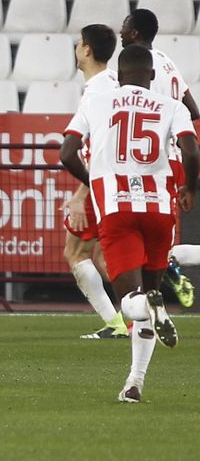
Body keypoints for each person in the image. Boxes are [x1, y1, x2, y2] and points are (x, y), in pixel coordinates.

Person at [60, 45, 198, 403]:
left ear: (117, 76)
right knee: (149, 292)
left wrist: (92, 182)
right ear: (152, 77)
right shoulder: (173, 106)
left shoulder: (97, 101)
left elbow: (66, 152)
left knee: (132, 303)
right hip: (158, 209)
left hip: (117, 209)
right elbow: (191, 150)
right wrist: (190, 189)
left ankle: (151, 306)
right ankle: (134, 383)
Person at [118, 9, 200, 308]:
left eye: (125, 27)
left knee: (149, 236)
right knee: (155, 231)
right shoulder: (165, 60)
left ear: (136, 33)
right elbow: (194, 109)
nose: (121, 31)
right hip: (170, 156)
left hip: (154, 161)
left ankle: (166, 279)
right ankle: (153, 297)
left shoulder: (140, 75)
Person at [61, 25, 128, 339]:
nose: (75, 49)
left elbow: (99, 149)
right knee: (103, 255)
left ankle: (119, 323)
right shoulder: (116, 82)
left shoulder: (96, 92)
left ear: (86, 49)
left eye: (78, 44)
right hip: (122, 180)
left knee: (76, 254)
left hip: (102, 181)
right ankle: (135, 318)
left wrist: (80, 194)